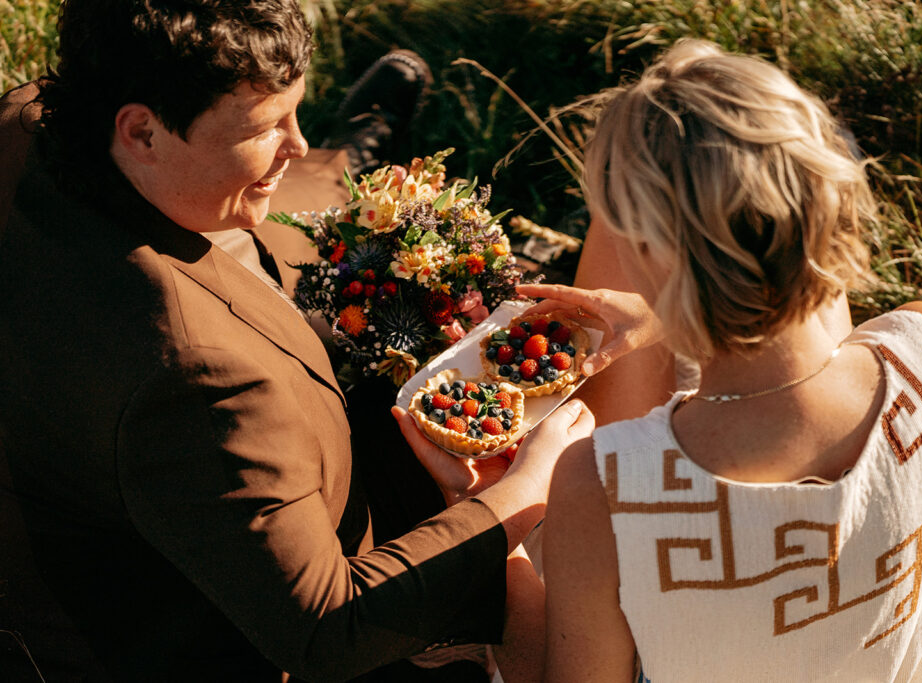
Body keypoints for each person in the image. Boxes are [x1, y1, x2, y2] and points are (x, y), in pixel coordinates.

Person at [0, 1, 592, 681]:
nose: (295, 141)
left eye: (297, 113)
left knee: (323, 219)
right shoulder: (197, 372)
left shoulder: (33, 118)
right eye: (265, 126)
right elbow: (327, 628)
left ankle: (356, 161)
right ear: (142, 132)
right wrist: (522, 491)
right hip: (198, 622)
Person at [517, 38, 922, 681]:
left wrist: (497, 535)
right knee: (696, 56)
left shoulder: (602, 485)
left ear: (653, 254)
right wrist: (667, 311)